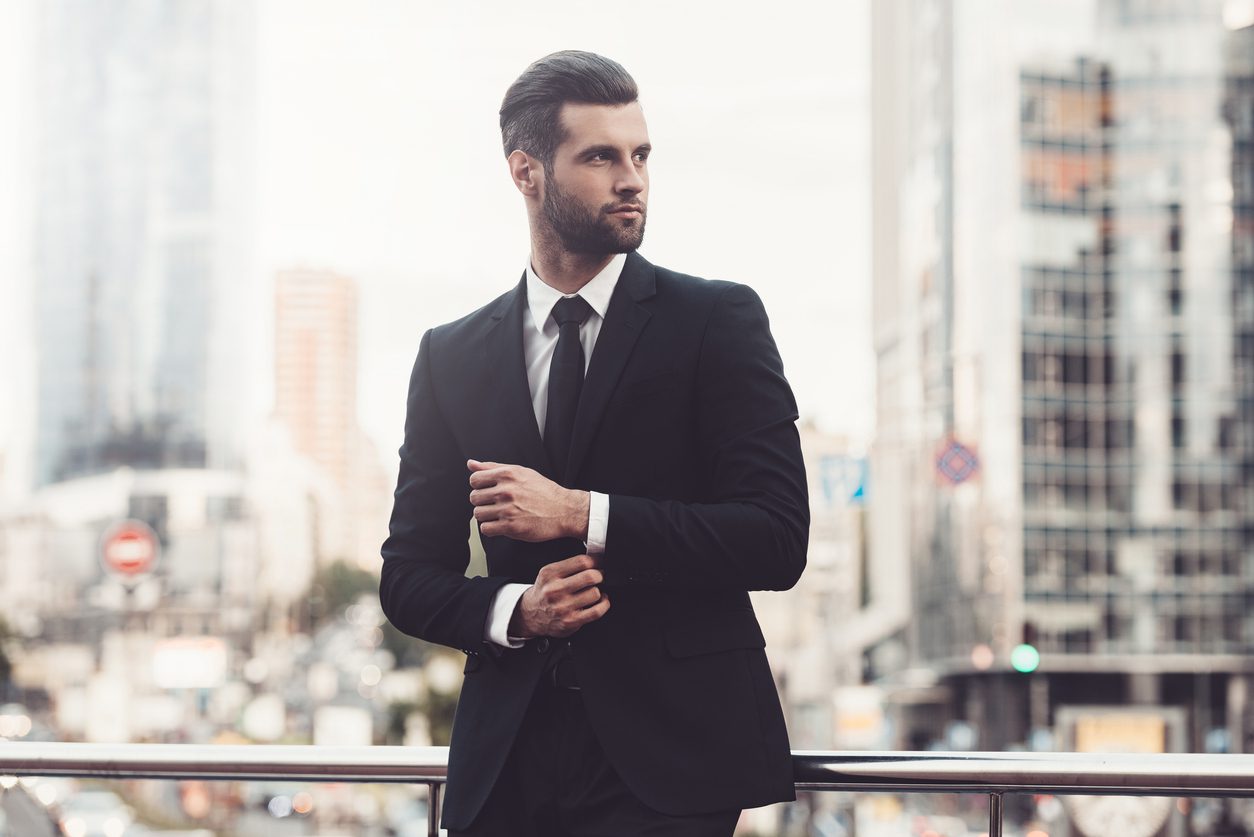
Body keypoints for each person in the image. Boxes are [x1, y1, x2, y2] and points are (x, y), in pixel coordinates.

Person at [380, 50, 809, 836]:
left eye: (640, 154)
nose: (632, 178)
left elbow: (777, 539)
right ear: (527, 172)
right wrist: (518, 609)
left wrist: (582, 513)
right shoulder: (451, 354)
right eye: (601, 156)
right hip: (506, 762)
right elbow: (407, 576)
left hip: (672, 761)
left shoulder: (717, 322)